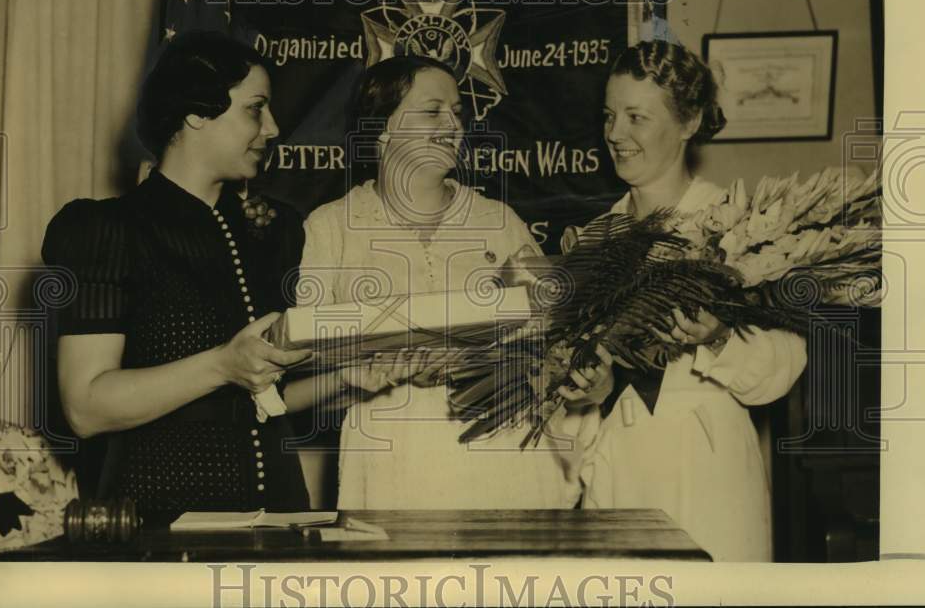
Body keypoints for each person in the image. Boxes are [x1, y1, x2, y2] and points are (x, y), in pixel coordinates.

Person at [42, 32, 396, 525]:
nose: (273, 127)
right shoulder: (105, 230)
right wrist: (223, 365)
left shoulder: (277, 230)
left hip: (280, 521)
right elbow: (86, 407)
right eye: (256, 109)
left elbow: (264, 402)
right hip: (158, 522)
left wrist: (346, 380)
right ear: (196, 114)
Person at [296, 55, 584, 509]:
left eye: (457, 112)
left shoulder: (497, 220)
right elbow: (309, 371)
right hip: (390, 453)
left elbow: (551, 339)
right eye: (433, 110)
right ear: (384, 126)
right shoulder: (331, 227)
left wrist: (485, 353)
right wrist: (364, 372)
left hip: (499, 445)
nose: (453, 124)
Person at [562, 40, 807, 562]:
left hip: (706, 472)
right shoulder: (593, 239)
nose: (615, 134)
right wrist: (590, 389)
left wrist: (717, 337)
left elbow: (784, 365)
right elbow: (577, 388)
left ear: (689, 121)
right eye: (609, 116)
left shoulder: (739, 224)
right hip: (618, 470)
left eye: (636, 117)